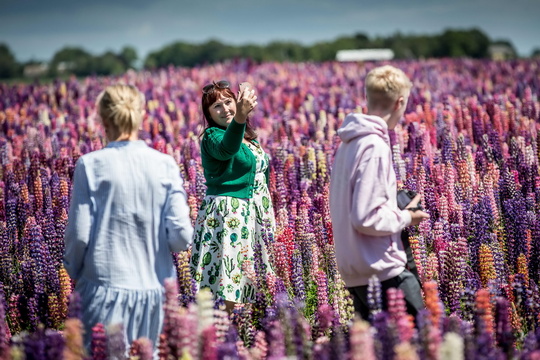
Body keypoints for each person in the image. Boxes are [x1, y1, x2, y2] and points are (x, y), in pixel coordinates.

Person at [63, 84, 194, 354]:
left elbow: (79, 235)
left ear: (103, 119)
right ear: (141, 115)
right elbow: (182, 236)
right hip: (155, 292)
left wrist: (75, 274)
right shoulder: (165, 164)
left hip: (102, 288)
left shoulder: (90, 164)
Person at [329, 65, 430, 321]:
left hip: (356, 270)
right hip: (383, 270)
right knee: (422, 342)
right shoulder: (374, 146)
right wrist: (408, 218)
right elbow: (365, 218)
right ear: (399, 102)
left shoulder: (348, 144)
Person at [190, 80, 275, 313]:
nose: (225, 109)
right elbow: (228, 148)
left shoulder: (248, 136)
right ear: (208, 113)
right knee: (229, 277)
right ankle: (223, 332)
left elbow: (260, 174)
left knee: (256, 278)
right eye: (216, 106)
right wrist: (240, 117)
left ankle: (250, 330)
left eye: (229, 102)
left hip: (257, 214)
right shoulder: (212, 137)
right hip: (229, 216)